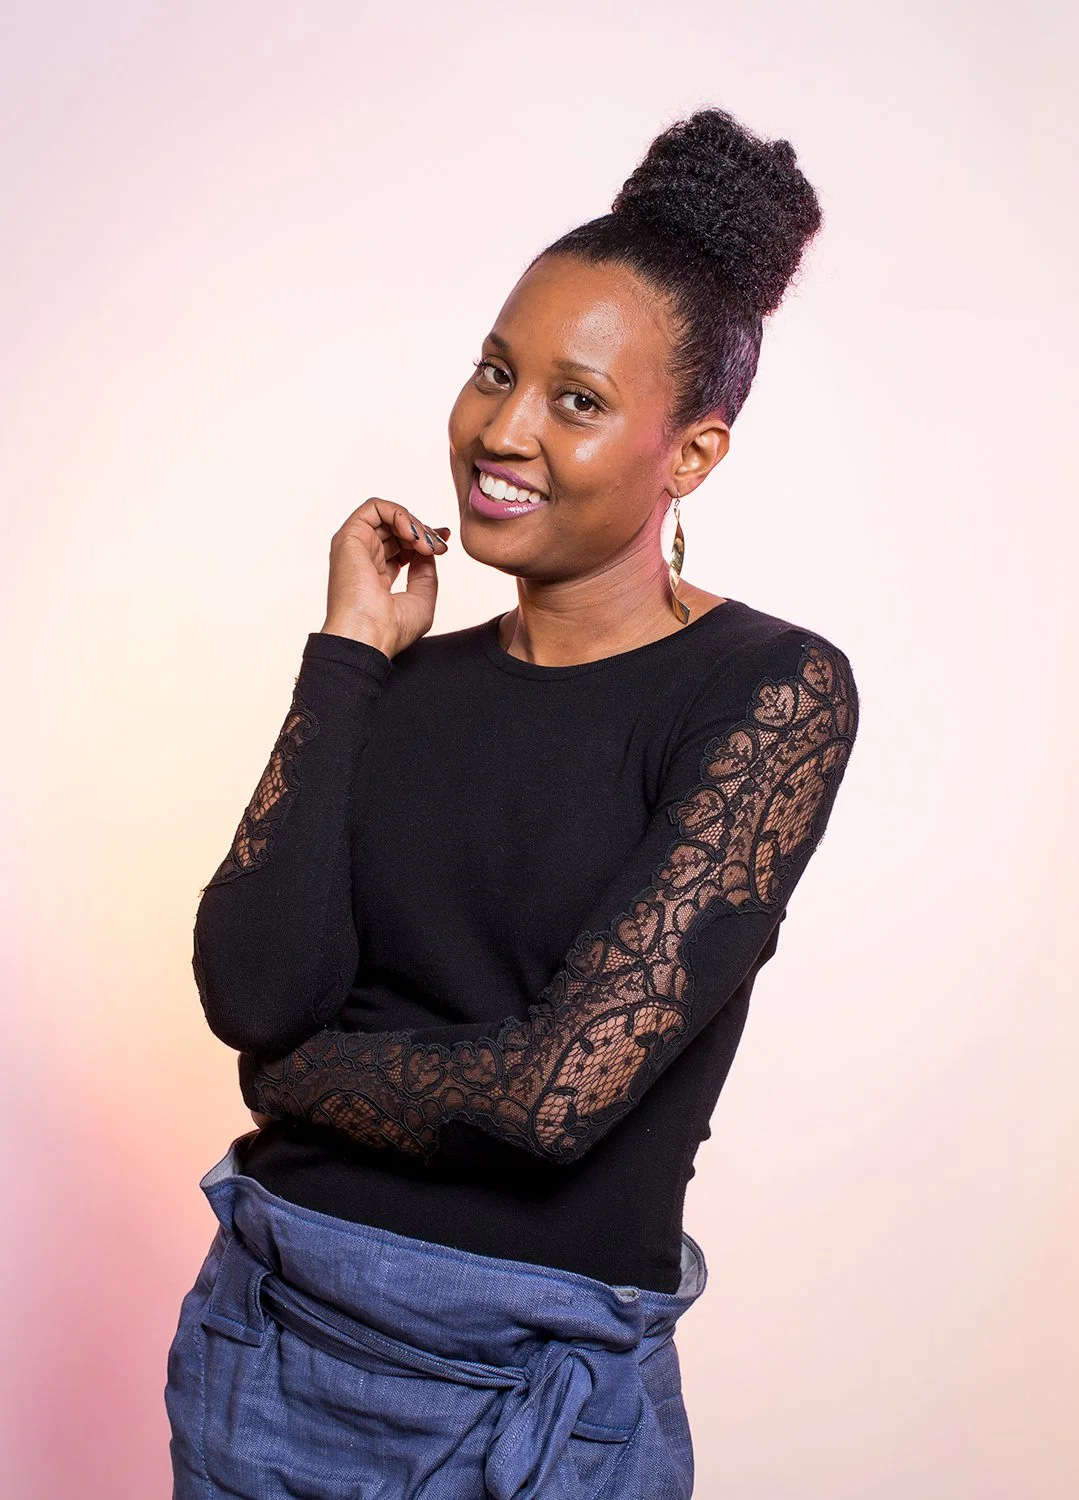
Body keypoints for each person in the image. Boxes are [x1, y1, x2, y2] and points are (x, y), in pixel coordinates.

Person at [165, 105, 860, 1500]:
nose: (501, 428)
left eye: (576, 400)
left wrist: (293, 1082)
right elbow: (254, 990)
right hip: (262, 1336)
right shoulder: (402, 681)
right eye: (496, 369)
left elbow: (555, 1094)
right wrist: (348, 656)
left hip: (529, 1402)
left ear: (692, 454)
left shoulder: (770, 690)